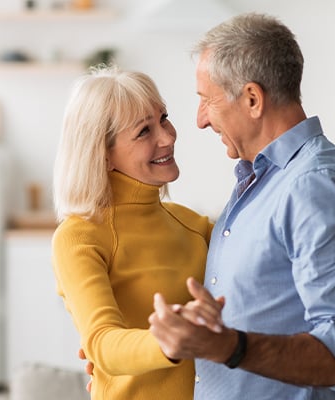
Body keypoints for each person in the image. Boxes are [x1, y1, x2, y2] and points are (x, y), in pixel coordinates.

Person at [148, 12, 335, 399]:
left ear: (253, 99)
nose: (200, 120)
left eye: (207, 100)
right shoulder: (263, 183)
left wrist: (226, 346)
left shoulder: (315, 187)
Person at [51, 66, 214, 399]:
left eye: (163, 118)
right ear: (103, 154)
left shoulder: (195, 226)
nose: (167, 137)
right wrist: (174, 337)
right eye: (144, 131)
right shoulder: (80, 237)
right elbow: (103, 343)